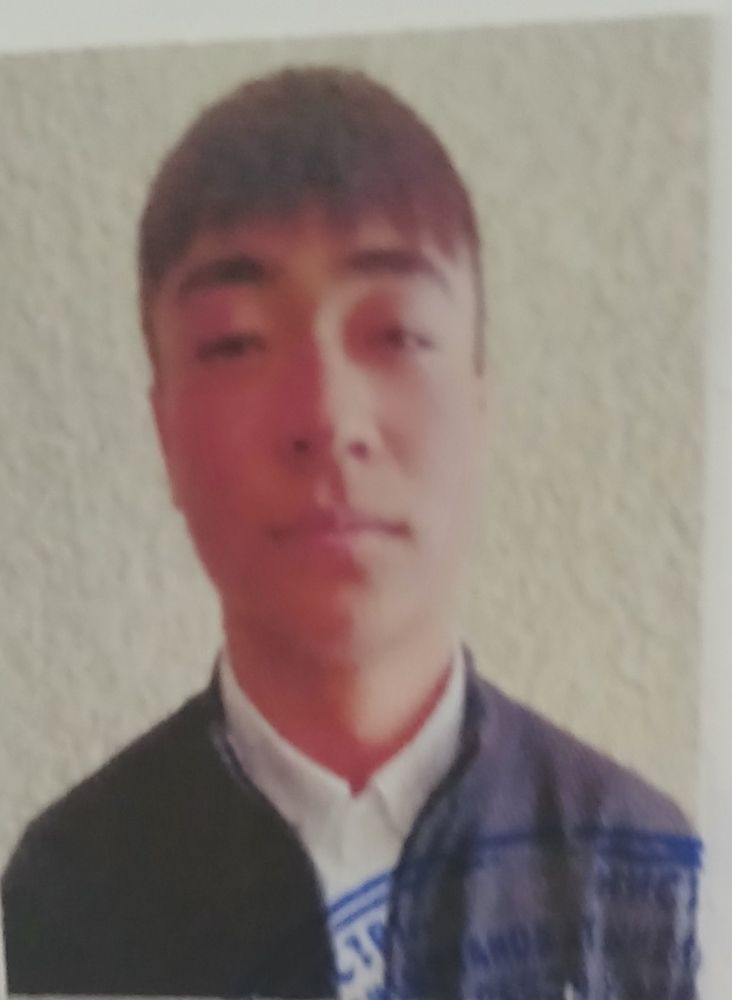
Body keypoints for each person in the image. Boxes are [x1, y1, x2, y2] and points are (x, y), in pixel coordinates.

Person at [2, 66, 700, 999]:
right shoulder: (71, 884)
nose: (328, 418)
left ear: (479, 407)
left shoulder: (642, 873)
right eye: (236, 343)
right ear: (164, 432)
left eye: (397, 334)